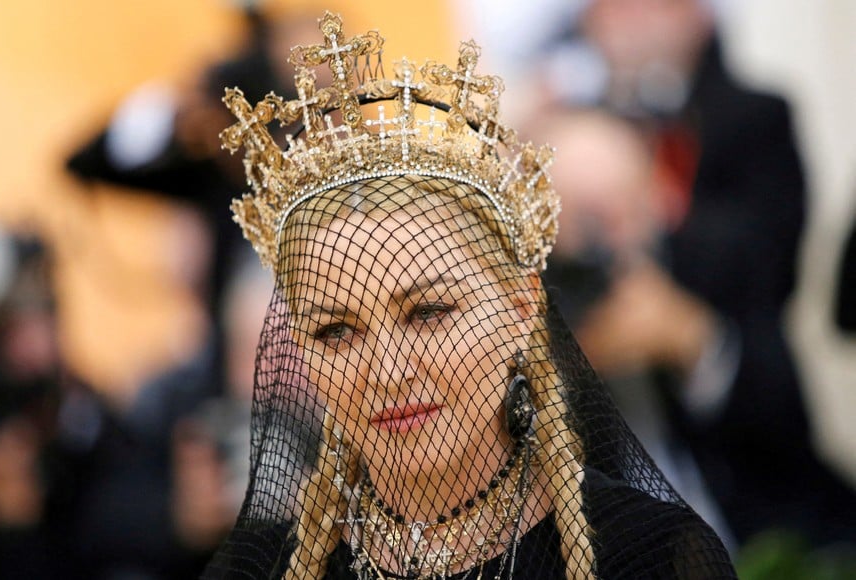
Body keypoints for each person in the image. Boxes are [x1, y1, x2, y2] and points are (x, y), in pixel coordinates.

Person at [202, 12, 735, 579]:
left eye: (428, 312)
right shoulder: (254, 570)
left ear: (521, 307)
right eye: (336, 331)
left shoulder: (650, 556)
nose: (389, 370)